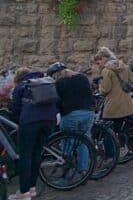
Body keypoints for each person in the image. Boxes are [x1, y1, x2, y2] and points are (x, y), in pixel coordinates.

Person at [9, 67, 57, 200]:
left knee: (25, 156)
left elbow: (15, 108)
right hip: (48, 121)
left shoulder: (21, 86)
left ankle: (24, 192)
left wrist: (18, 120)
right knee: (36, 154)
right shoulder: (46, 82)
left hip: (30, 122)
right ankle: (32, 188)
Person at [48, 62, 95, 178]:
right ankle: (83, 171)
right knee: (84, 141)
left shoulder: (59, 83)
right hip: (88, 112)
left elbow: (57, 102)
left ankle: (67, 174)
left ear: (55, 75)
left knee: (67, 142)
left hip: (71, 114)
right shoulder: (82, 77)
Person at [93, 47, 133, 133]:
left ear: (103, 58)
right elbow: (131, 81)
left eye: (98, 63)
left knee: (107, 131)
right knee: (120, 128)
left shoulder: (106, 71)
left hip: (113, 107)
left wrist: (100, 86)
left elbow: (105, 89)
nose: (98, 66)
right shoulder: (124, 66)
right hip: (126, 104)